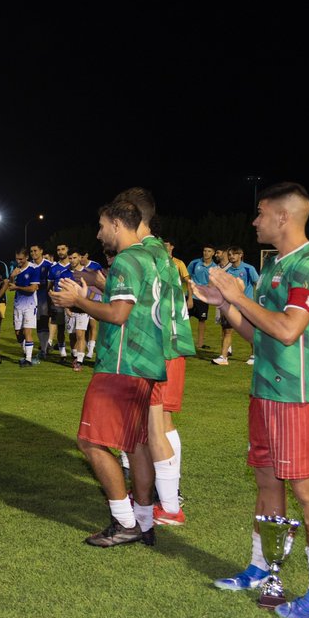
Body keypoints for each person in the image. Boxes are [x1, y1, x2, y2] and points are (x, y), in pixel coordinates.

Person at [199, 183, 309, 618]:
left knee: (307, 490)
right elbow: (259, 332)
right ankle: (262, 567)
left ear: (282, 216)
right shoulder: (274, 265)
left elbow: (287, 329)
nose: (255, 221)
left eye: (260, 213)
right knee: (265, 482)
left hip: (299, 396)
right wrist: (228, 306)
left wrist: (238, 296)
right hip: (264, 391)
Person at [50, 200, 165, 547]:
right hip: (144, 361)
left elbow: (118, 314)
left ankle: (124, 521)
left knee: (91, 442)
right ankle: (144, 522)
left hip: (121, 363)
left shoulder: (128, 259)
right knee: (136, 444)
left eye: (102, 226)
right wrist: (96, 289)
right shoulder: (148, 257)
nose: (99, 234)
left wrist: (78, 301)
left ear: (117, 223)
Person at [114, 188, 195, 529]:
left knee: (154, 425)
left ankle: (168, 503)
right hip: (171, 345)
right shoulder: (159, 252)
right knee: (160, 424)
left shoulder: (143, 253)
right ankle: (161, 496)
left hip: (155, 350)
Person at [215, 246, 260, 366]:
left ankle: (254, 355)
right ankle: (223, 357)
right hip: (231, 307)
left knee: (251, 332)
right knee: (228, 331)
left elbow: (258, 284)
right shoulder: (227, 272)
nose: (231, 256)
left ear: (241, 255)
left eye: (234, 254)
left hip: (246, 306)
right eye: (229, 254)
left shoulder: (248, 268)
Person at [9, 248, 41, 366]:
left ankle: (28, 359)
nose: (19, 261)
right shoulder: (16, 269)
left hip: (30, 305)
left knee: (27, 331)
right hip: (18, 305)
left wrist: (17, 287)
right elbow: (11, 285)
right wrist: (12, 276)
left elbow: (32, 289)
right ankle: (27, 354)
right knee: (18, 334)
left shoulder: (34, 269)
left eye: (21, 259)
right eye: (17, 259)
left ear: (27, 257)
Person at [64, 248, 91, 370]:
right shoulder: (65, 273)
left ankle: (79, 361)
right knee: (72, 335)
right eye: (70, 258)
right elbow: (64, 292)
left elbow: (91, 292)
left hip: (82, 309)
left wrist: (85, 304)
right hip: (70, 309)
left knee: (81, 334)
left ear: (80, 258)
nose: (72, 260)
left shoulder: (87, 273)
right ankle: (75, 355)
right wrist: (66, 308)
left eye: (74, 257)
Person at [187, 245, 218, 350]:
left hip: (204, 299)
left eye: (209, 251)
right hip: (191, 296)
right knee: (184, 320)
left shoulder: (215, 267)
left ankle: (199, 344)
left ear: (213, 253)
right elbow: (188, 280)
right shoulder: (194, 263)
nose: (206, 253)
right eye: (204, 250)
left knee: (202, 320)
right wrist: (190, 297)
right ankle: (183, 341)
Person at [46, 243, 73, 360]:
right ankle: (62, 352)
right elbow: (49, 286)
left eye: (63, 249)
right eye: (58, 250)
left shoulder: (74, 266)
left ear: (68, 250)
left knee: (74, 329)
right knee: (60, 326)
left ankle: (76, 351)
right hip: (58, 301)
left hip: (72, 302)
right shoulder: (54, 268)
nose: (60, 252)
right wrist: (52, 296)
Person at [29, 244, 53, 356]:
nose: (33, 253)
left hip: (44, 299)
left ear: (41, 251)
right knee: (37, 324)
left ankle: (44, 348)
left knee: (43, 322)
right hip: (31, 299)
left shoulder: (49, 265)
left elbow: (52, 282)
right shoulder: (29, 266)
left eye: (35, 251)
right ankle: (42, 348)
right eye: (31, 251)